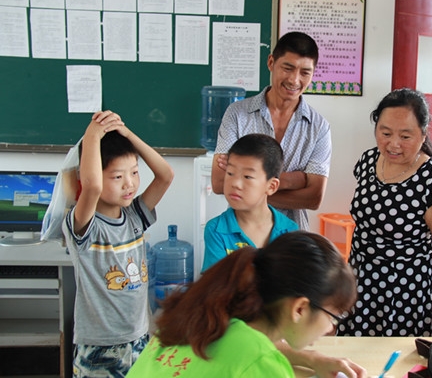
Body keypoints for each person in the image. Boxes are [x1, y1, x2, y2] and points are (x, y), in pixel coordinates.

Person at [126, 231, 359, 377]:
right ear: (300, 308)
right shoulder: (262, 362)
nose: (330, 328)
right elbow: (255, 358)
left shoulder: (207, 318)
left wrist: (313, 359)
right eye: (332, 316)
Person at [336, 88, 432, 337]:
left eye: (405, 136)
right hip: (359, 283)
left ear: (423, 134)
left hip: (404, 294)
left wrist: (413, 271)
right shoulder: (368, 161)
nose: (393, 144)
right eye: (385, 133)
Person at [63, 110, 174, 377]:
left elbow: (166, 175)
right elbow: (91, 187)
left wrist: (126, 134)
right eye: (117, 177)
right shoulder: (85, 226)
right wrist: (92, 134)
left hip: (138, 337)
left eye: (134, 173)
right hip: (99, 347)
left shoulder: (135, 216)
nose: (130, 184)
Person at [211, 31, 331, 231]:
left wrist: (249, 184)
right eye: (287, 68)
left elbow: (313, 198)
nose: (294, 80)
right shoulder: (237, 114)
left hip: (292, 238)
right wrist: (294, 180)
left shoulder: (319, 127)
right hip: (241, 233)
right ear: (271, 62)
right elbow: (218, 181)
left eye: (305, 72)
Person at [201, 133, 298, 272]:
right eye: (230, 173)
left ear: (271, 186)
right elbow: (216, 287)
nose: (235, 183)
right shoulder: (216, 230)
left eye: (247, 176)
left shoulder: (289, 231)